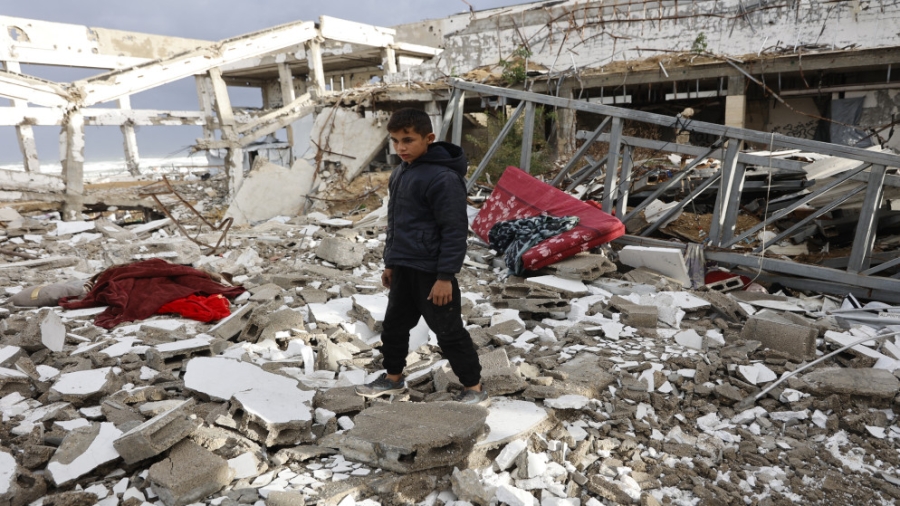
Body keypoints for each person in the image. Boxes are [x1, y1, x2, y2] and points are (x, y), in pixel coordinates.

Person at [355, 108, 487, 406]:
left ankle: (475, 388)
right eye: (394, 141)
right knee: (394, 328)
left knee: (448, 332)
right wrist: (390, 263)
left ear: (429, 138)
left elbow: (454, 230)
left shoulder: (444, 178)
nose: (400, 148)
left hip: (432, 272)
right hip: (404, 267)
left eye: (408, 140)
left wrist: (445, 277)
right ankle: (393, 380)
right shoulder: (401, 173)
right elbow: (395, 223)